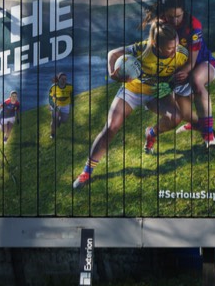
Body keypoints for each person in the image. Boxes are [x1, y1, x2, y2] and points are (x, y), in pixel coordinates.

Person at [74, 20, 189, 188]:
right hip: (132, 91)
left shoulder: (181, 53)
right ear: (156, 44)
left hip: (155, 94)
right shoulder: (142, 49)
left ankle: (151, 133)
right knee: (111, 127)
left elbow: (188, 68)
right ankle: (86, 172)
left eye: (176, 45)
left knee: (176, 118)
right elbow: (112, 54)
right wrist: (113, 74)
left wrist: (173, 83)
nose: (174, 50)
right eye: (170, 48)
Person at [144, 0, 215, 149]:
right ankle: (154, 132)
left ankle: (209, 137)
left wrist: (181, 73)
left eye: (178, 16)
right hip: (178, 72)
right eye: (171, 17)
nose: (175, 20)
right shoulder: (159, 26)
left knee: (196, 80)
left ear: (184, 12)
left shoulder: (194, 26)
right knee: (184, 114)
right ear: (164, 13)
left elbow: (191, 62)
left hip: (202, 64)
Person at [48, 73, 73, 140]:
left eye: (65, 79)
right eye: (62, 79)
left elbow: (72, 95)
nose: (64, 80)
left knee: (64, 120)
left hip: (66, 105)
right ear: (58, 79)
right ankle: (52, 134)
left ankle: (59, 120)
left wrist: (72, 103)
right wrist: (52, 105)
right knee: (54, 121)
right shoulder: (53, 87)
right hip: (56, 105)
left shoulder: (70, 87)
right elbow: (50, 98)